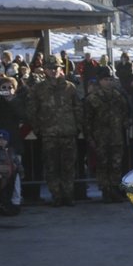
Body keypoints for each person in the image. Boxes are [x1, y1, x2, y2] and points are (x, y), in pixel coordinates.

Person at [30, 55, 82, 206]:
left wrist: (78, 126)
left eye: (56, 68)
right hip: (49, 133)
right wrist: (37, 127)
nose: (53, 71)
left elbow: (77, 108)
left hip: (68, 132)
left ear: (61, 69)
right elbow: (32, 110)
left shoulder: (69, 87)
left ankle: (68, 195)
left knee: (68, 166)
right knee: (52, 167)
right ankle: (56, 196)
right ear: (45, 70)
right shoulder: (38, 88)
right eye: (50, 68)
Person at [85, 76, 132, 203]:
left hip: (116, 137)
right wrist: (90, 137)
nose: (108, 82)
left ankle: (114, 190)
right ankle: (106, 190)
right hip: (100, 138)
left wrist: (127, 123)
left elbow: (125, 114)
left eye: (110, 79)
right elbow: (87, 120)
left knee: (116, 165)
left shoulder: (118, 97)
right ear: (100, 81)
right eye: (105, 79)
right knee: (103, 165)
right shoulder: (93, 98)